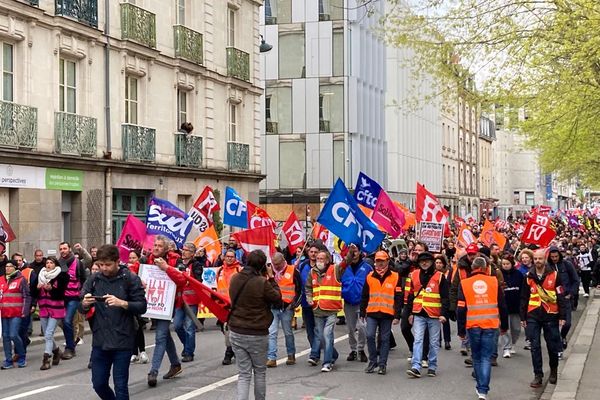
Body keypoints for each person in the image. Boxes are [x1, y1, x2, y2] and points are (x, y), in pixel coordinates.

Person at [80, 244, 147, 400]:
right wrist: (84, 303)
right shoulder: (94, 279)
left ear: (117, 262)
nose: (104, 268)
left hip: (123, 339)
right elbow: (80, 306)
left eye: (108, 264)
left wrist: (122, 303)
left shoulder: (130, 278)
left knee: (121, 385)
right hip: (100, 339)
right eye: (101, 265)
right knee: (98, 384)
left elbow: (142, 306)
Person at [228, 249, 282, 400]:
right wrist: (271, 278)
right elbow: (277, 299)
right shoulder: (262, 282)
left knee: (244, 373)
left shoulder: (235, 278)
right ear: (262, 266)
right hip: (257, 331)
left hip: (237, 330)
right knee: (259, 372)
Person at [457, 257, 509, 400]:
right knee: (486, 357)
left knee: (477, 356)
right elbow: (502, 305)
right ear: (486, 268)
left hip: (473, 325)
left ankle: (480, 386)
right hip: (491, 324)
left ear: (472, 268)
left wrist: (460, 330)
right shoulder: (494, 281)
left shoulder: (465, 283)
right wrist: (504, 325)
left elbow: (461, 308)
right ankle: (483, 390)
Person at [520, 249, 567, 388]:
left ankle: (553, 370)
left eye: (540, 259)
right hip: (533, 315)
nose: (537, 261)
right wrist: (523, 316)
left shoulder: (555, 275)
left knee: (552, 346)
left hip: (550, 315)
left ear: (545, 259)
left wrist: (562, 315)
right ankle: (538, 375)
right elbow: (524, 297)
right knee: (534, 346)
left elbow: (560, 295)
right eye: (535, 259)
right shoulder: (528, 276)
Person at [145, 236, 188, 387]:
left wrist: (167, 268)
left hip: (170, 304)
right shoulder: (147, 259)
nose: (155, 248)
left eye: (159, 246)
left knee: (160, 336)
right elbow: (136, 273)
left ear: (166, 249)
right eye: (154, 245)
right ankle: (175, 364)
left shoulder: (176, 260)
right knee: (165, 335)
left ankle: (153, 372)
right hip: (154, 304)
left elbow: (183, 280)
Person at [405, 251, 449, 378]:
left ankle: (432, 366)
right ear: (418, 263)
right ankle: (416, 366)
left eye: (427, 261)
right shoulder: (413, 275)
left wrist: (443, 314)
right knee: (418, 340)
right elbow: (410, 296)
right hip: (418, 312)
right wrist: (410, 313)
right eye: (422, 261)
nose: (424, 263)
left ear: (431, 263)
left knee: (434, 342)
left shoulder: (440, 276)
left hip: (434, 314)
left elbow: (445, 297)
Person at [305, 248, 350, 372]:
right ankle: (333, 355)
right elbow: (308, 287)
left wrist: (350, 252)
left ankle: (327, 362)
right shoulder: (312, 272)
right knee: (321, 336)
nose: (319, 261)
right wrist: (309, 298)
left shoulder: (335, 269)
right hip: (317, 309)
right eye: (318, 258)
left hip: (331, 309)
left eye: (322, 259)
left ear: (327, 260)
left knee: (327, 335)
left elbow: (345, 263)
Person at [360, 250, 402, 375]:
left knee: (385, 339)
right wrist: (362, 312)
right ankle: (373, 361)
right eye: (378, 261)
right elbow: (364, 296)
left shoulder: (395, 276)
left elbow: (399, 297)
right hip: (372, 312)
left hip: (387, 313)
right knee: (370, 336)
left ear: (387, 261)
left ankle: (382, 364)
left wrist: (397, 315)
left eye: (382, 261)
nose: (380, 264)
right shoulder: (370, 276)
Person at [266, 252, 301, 367]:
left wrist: (295, 304)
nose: (275, 266)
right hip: (273, 307)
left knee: (288, 333)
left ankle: (291, 354)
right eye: (274, 264)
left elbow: (300, 288)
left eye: (278, 264)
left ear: (283, 261)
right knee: (272, 332)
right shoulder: (269, 272)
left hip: (287, 307)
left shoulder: (293, 271)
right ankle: (271, 358)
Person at [340, 247, 372, 363]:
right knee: (350, 328)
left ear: (360, 252)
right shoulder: (343, 267)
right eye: (351, 251)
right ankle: (353, 349)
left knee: (362, 327)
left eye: (356, 251)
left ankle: (361, 349)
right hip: (348, 301)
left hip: (362, 302)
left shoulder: (367, 267)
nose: (353, 253)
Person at [37, 256, 68, 370]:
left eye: (51, 263)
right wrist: (37, 288)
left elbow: (61, 293)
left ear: (56, 264)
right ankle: (56, 351)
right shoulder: (41, 275)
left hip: (56, 309)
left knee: (49, 334)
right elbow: (34, 291)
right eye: (47, 263)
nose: (49, 265)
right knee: (46, 334)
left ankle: (46, 359)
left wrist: (51, 289)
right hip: (44, 308)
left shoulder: (61, 276)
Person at [547, 246, 579, 354]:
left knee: (567, 323)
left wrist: (571, 293)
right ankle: (558, 348)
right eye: (552, 257)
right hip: (553, 299)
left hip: (565, 298)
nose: (554, 258)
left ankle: (563, 336)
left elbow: (575, 280)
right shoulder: (547, 267)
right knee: (554, 325)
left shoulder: (567, 264)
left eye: (556, 256)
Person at [58, 241, 87, 360]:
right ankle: (71, 341)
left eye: (65, 248)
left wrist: (82, 293)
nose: (63, 251)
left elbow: (84, 279)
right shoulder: (58, 263)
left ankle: (70, 348)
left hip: (74, 297)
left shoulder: (78, 263)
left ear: (69, 249)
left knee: (67, 320)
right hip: (60, 297)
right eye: (61, 249)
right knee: (61, 322)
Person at [175, 242, 203, 363]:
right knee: (177, 326)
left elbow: (198, 280)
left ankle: (189, 352)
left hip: (191, 300)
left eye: (186, 250)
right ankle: (187, 345)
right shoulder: (178, 263)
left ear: (192, 254)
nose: (183, 252)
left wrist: (186, 278)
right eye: (183, 250)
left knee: (189, 327)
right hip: (179, 299)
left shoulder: (196, 265)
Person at [0, 259, 31, 369]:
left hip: (17, 313)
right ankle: (8, 360)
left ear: (15, 267)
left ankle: (21, 356)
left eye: (10, 266)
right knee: (5, 336)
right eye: (6, 266)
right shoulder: (1, 280)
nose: (7, 268)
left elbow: (26, 296)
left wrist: (25, 311)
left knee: (13, 334)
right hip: (4, 313)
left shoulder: (21, 279)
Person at [217, 248, 242, 365]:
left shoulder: (239, 270)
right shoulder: (220, 270)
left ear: (235, 258)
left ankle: (229, 351)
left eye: (232, 257)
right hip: (223, 305)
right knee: (225, 329)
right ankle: (232, 349)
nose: (229, 258)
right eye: (227, 256)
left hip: (236, 305)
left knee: (231, 329)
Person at [126, 250, 148, 364]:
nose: (131, 260)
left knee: (138, 326)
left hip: (139, 301)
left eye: (133, 258)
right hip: (129, 301)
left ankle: (142, 351)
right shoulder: (126, 270)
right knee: (132, 327)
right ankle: (134, 352)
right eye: (130, 258)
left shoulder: (143, 269)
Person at [499, 253, 523, 358]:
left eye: (507, 263)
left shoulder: (518, 274)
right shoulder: (499, 275)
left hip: (516, 306)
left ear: (512, 264)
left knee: (516, 328)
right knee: (505, 328)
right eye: (503, 264)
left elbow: (523, 290)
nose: (505, 265)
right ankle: (506, 347)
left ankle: (513, 343)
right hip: (504, 306)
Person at [298, 244, 320, 355]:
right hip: (306, 303)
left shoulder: (323, 266)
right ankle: (314, 351)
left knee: (320, 330)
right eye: (311, 252)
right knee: (310, 329)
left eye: (316, 252)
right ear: (308, 252)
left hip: (319, 304)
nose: (313, 254)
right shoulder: (302, 266)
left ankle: (317, 352)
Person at [435, 255, 453, 350]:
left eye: (440, 263)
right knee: (436, 321)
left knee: (445, 320)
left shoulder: (448, 272)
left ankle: (447, 340)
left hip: (445, 298)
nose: (438, 265)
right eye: (437, 263)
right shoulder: (433, 273)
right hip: (435, 299)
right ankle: (438, 339)